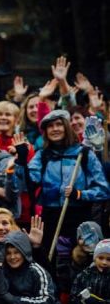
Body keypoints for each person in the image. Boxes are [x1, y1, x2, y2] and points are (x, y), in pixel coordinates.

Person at [28, 110, 110, 275]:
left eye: (59, 124)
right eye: (50, 126)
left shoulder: (84, 154)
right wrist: (21, 162)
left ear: (66, 127)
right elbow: (30, 180)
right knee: (48, 262)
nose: (55, 129)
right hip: (51, 216)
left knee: (80, 262)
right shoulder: (42, 155)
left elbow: (103, 190)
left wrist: (79, 194)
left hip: (79, 215)